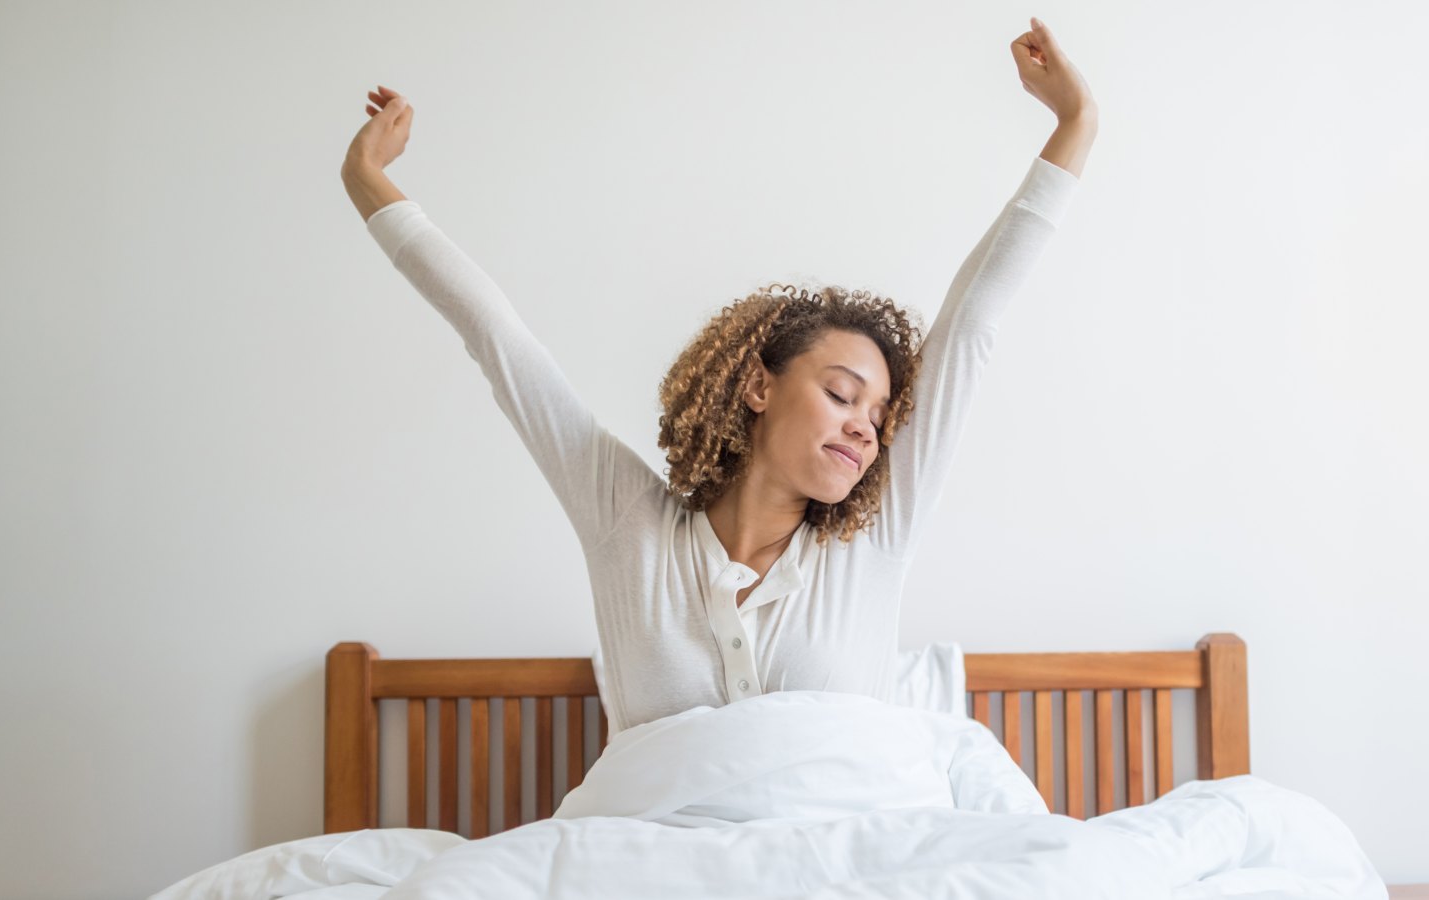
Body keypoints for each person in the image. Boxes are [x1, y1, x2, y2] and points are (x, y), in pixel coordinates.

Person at [340, 18, 1098, 734]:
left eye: (878, 413)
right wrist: (367, 180)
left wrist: (1076, 125)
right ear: (759, 387)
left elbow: (971, 326)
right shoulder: (626, 525)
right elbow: (498, 339)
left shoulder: (876, 538)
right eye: (840, 394)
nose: (866, 427)